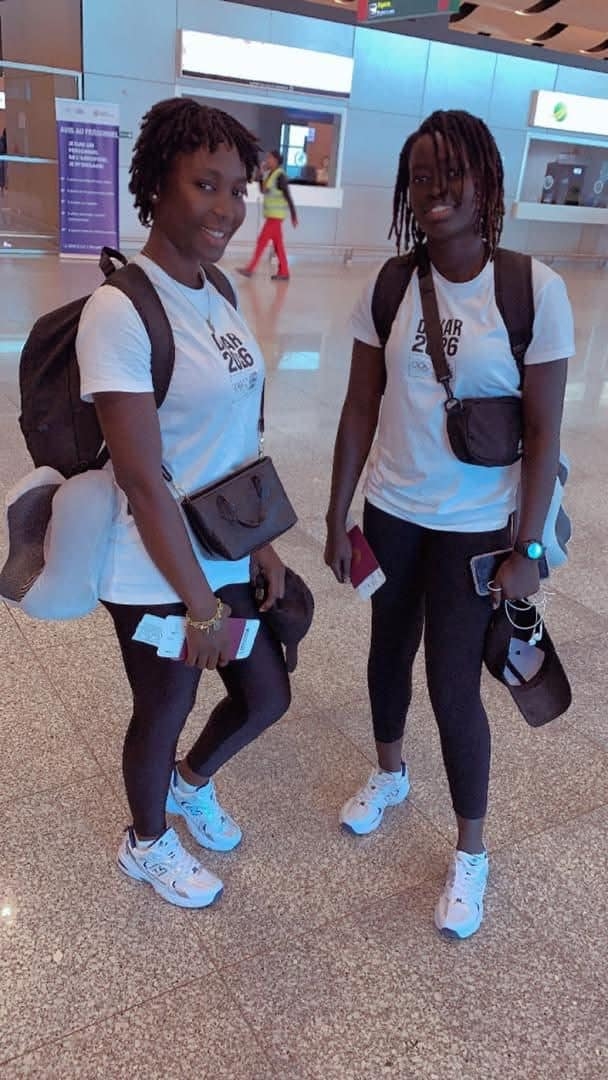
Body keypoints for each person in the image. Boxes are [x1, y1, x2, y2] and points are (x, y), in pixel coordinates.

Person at [324, 110, 574, 939]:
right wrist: (336, 511)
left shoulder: (533, 290)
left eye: (452, 174)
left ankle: (472, 850)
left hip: (476, 531)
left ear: (487, 182)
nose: (435, 192)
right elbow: (361, 404)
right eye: (421, 177)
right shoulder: (388, 286)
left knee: (452, 684)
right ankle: (390, 773)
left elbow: (543, 433)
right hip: (393, 512)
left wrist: (529, 548)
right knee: (386, 652)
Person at [76, 98, 292, 909]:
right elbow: (141, 479)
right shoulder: (120, 311)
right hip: (154, 570)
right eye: (206, 184)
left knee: (267, 694)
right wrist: (199, 605)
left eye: (238, 189)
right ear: (156, 188)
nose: (228, 208)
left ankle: (191, 782)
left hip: (224, 547)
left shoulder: (221, 292)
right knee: (163, 708)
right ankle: (147, 841)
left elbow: (237, 440)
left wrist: (262, 543)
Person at [237, 150, 298, 281]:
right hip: (272, 215)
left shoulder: (280, 176)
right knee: (278, 245)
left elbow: (288, 195)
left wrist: (293, 215)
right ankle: (284, 271)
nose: (267, 160)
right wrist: (260, 173)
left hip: (276, 216)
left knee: (262, 241)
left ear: (276, 160)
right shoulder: (271, 175)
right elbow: (263, 190)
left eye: (269, 158)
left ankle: (250, 269)